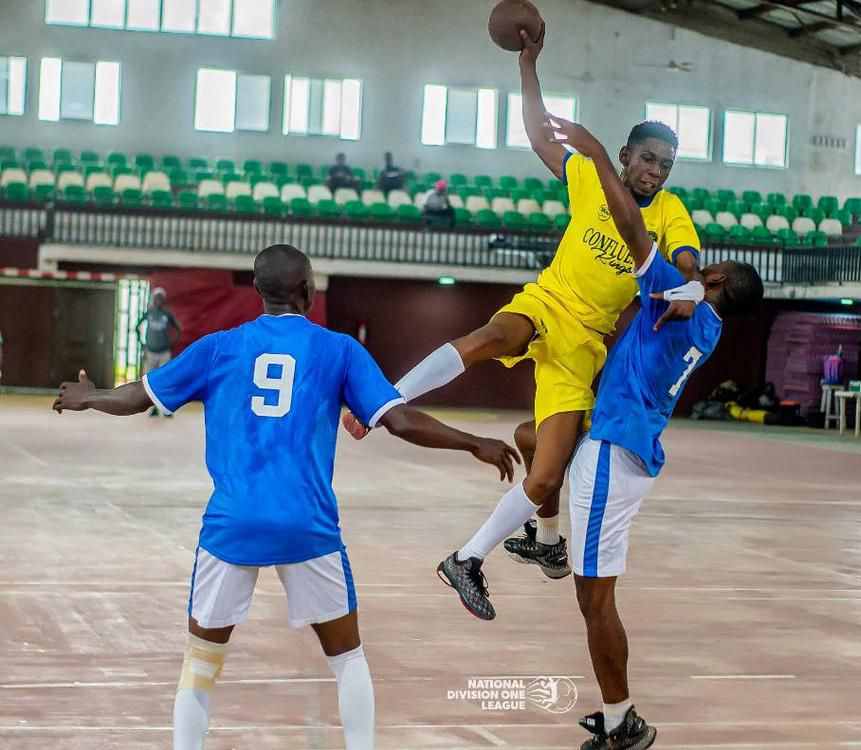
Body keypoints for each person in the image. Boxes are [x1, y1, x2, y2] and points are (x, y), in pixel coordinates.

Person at [52, 244, 520, 750]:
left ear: (257, 292)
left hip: (233, 525)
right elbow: (400, 420)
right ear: (307, 289)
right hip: (308, 525)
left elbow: (139, 395)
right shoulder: (339, 350)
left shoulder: (219, 347)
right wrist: (473, 441)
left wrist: (91, 397)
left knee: (201, 664)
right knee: (347, 660)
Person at [440, 116, 763, 748]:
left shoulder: (677, 292)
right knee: (535, 441)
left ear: (716, 281)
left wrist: (589, 149)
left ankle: (621, 723)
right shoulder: (709, 325)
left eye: (711, 267)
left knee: (596, 604)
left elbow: (634, 229)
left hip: (613, 458)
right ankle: (545, 539)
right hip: (624, 441)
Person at [347, 23, 702, 588]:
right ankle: (383, 401)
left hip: (584, 344)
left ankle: (485, 555)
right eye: (648, 160)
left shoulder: (670, 210)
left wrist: (692, 287)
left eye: (666, 165)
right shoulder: (587, 174)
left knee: (543, 478)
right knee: (485, 339)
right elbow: (539, 132)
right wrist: (527, 64)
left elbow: (686, 262)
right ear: (625, 154)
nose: (656, 172)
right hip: (546, 301)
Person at [136, 287, 182, 417]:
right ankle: (154, 409)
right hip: (151, 352)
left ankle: (166, 409)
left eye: (161, 298)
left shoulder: (167, 314)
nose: (158, 301)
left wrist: (172, 344)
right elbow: (136, 326)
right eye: (157, 298)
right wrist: (143, 343)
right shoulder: (149, 313)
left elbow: (179, 329)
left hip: (164, 353)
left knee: (166, 381)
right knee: (151, 382)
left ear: (164, 300)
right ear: (153, 299)